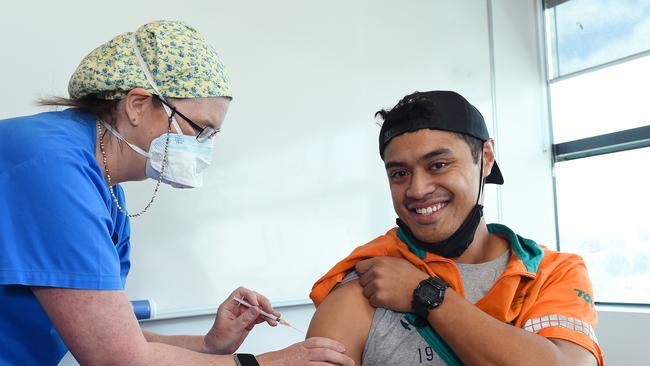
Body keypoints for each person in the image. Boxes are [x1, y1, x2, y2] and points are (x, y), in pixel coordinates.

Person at [0, 20, 352, 366]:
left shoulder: (106, 190)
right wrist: (269, 363)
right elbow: (117, 358)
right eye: (199, 129)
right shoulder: (52, 168)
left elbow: (106, 333)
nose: (203, 149)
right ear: (137, 104)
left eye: (211, 137)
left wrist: (210, 344)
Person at [307, 91, 603, 365]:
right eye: (399, 173)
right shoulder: (366, 283)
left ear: (486, 158)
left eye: (438, 165)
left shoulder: (551, 273)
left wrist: (425, 293)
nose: (417, 190)